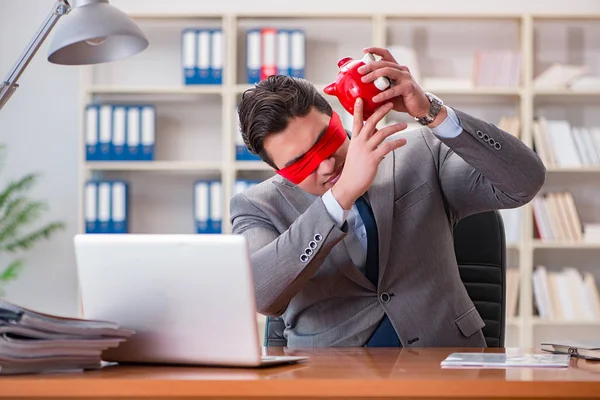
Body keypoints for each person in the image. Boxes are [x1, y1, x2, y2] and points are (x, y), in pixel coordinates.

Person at [231, 47, 545, 348]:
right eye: (301, 163)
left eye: (326, 140)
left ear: (338, 117)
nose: (326, 165)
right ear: (276, 170)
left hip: (444, 366)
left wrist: (432, 113)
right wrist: (339, 197)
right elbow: (262, 296)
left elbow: (524, 182)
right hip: (331, 377)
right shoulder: (257, 206)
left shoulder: (421, 152)